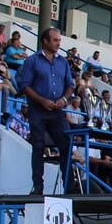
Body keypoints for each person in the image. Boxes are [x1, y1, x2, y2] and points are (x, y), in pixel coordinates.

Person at [17, 28, 74, 195]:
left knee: (66, 146)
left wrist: (64, 99)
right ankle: (38, 186)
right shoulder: (32, 61)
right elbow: (25, 86)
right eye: (55, 40)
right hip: (38, 111)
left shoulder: (63, 62)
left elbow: (70, 85)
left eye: (59, 40)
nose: (58, 43)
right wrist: (42, 101)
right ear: (45, 41)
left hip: (57, 111)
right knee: (38, 146)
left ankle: (69, 188)